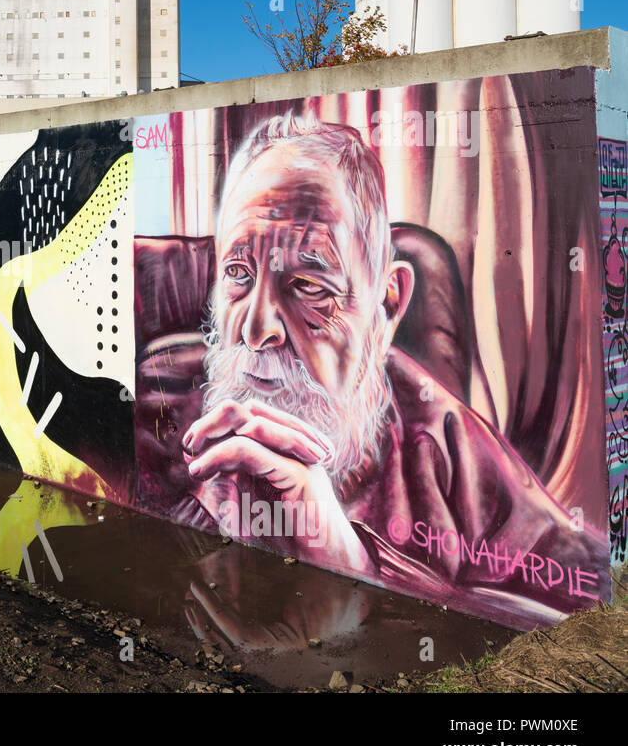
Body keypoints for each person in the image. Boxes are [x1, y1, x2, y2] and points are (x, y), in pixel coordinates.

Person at [176, 112, 609, 623]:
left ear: (388, 305)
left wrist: (356, 566)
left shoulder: (443, 444)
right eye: (238, 273)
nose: (255, 331)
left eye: (310, 286)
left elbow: (584, 595)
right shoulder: (162, 403)